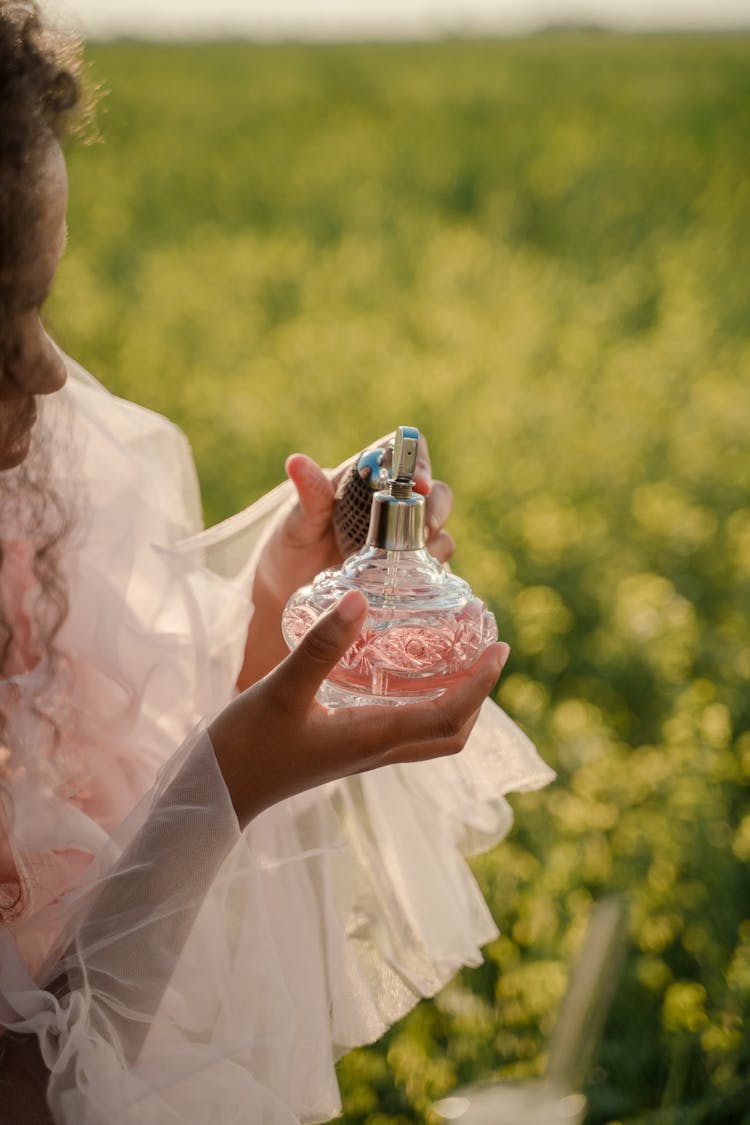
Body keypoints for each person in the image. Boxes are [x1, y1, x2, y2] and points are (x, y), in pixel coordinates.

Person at [0, 3, 554, 1122]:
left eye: (43, 301)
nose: (52, 376)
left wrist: (270, 627)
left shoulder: (28, 530)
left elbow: (105, 896)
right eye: (4, 314)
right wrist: (231, 787)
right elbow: (34, 1093)